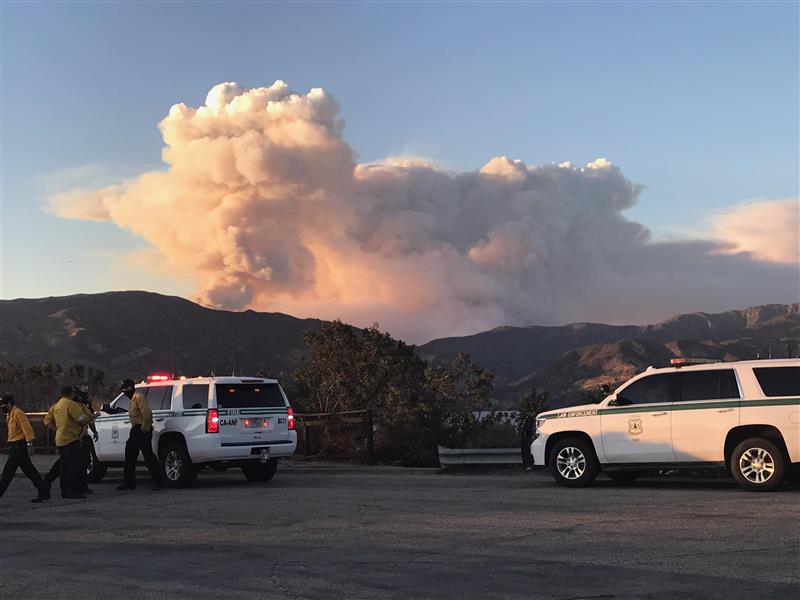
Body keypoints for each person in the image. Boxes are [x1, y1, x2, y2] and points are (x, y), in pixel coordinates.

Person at [44, 384, 98, 495]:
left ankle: (80, 487)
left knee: (81, 463)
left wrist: (94, 430)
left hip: (80, 438)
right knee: (70, 466)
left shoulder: (80, 405)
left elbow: (90, 418)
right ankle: (69, 488)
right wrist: (57, 429)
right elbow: (83, 419)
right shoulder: (69, 405)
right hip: (71, 439)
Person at [0, 395, 51, 503]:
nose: (2, 408)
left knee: (8, 472)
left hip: (19, 446)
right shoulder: (10, 415)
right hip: (15, 446)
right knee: (29, 470)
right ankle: (44, 489)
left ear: (9, 404)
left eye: (3, 405)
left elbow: (27, 428)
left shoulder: (18, 413)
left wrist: (29, 444)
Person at [117, 379, 163, 491]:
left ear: (129, 388)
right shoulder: (132, 399)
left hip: (142, 429)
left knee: (148, 456)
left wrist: (144, 429)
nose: (124, 392)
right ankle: (129, 483)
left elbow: (147, 414)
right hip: (135, 430)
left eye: (125, 389)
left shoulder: (138, 397)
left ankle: (159, 481)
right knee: (129, 456)